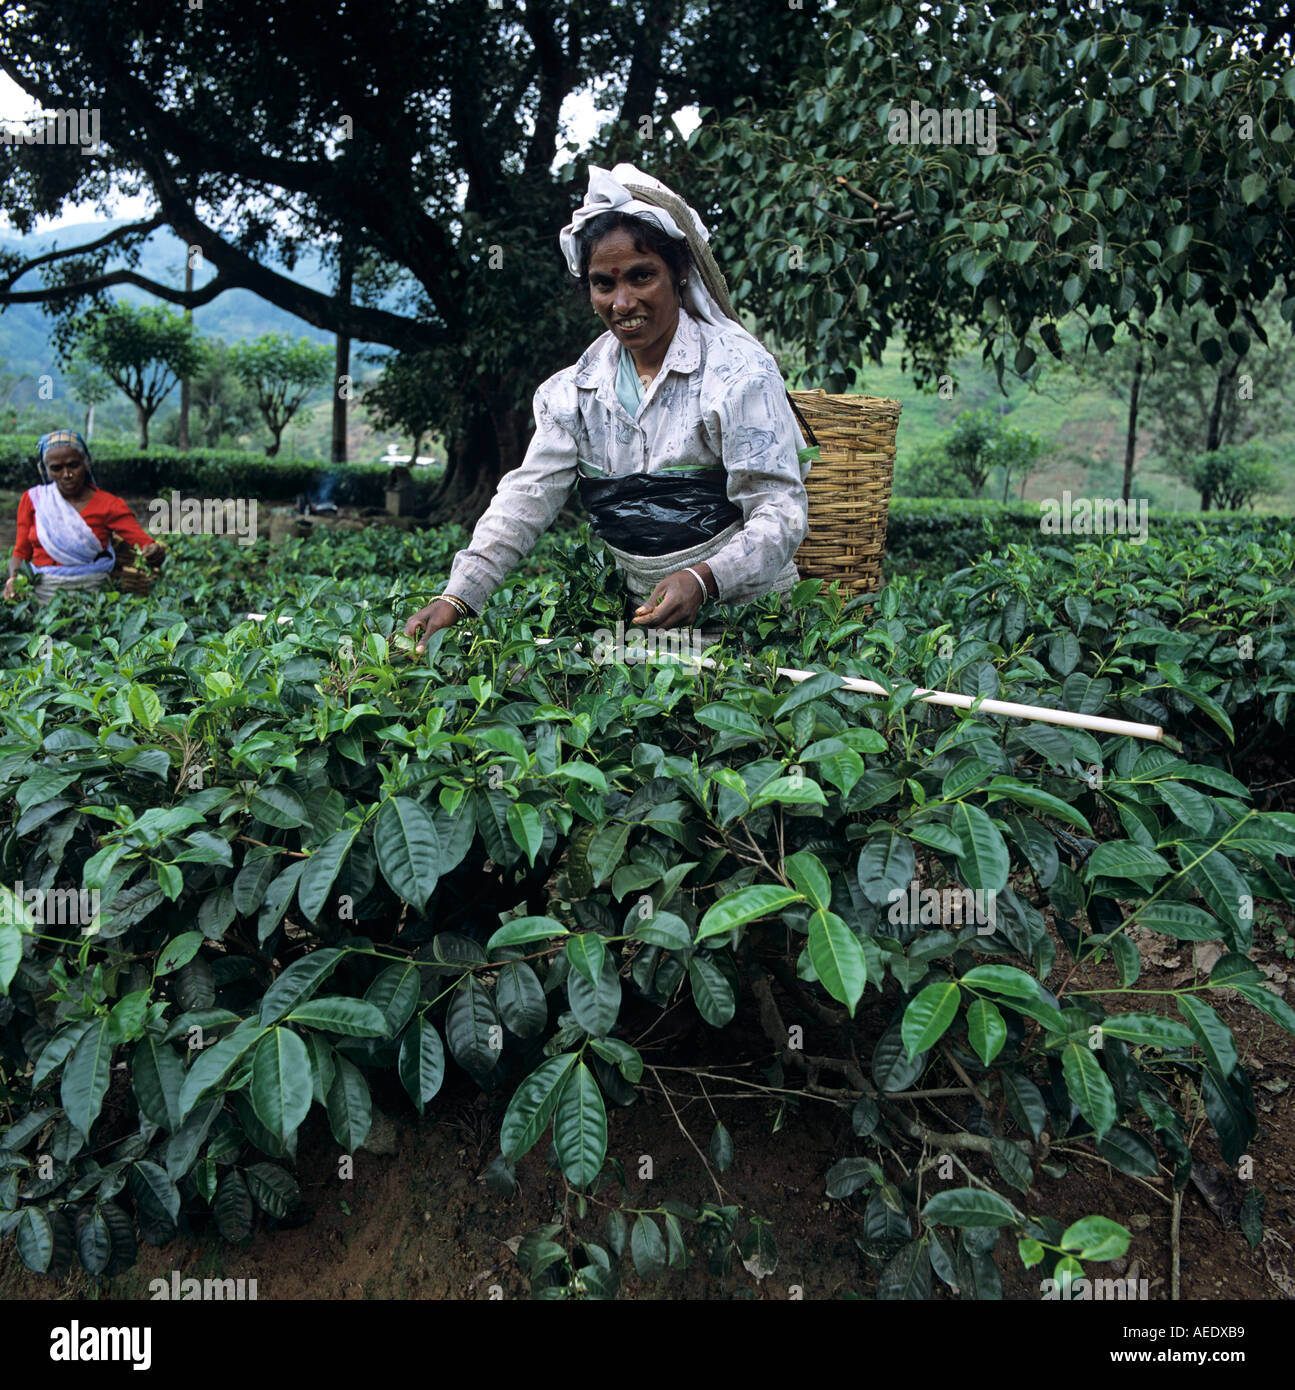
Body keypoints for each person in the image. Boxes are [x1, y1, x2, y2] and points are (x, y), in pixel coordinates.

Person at [404, 162, 811, 650]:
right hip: (642, 625)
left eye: (642, 277)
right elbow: (526, 496)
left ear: (680, 272)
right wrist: (460, 596)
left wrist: (704, 579)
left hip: (756, 624)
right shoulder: (575, 392)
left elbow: (779, 511)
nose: (623, 302)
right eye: (604, 284)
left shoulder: (738, 373)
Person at [4, 430, 165, 607]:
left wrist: (154, 552)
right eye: (56, 468)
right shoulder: (34, 500)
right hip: (41, 594)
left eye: (73, 465)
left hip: (92, 598)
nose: (67, 474)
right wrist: (13, 580)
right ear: (45, 470)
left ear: (86, 464)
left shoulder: (109, 504)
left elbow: (145, 543)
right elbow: (21, 552)